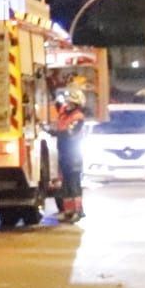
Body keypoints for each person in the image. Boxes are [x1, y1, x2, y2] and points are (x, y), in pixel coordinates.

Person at [55, 88, 88, 223]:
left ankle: (78, 211)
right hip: (64, 153)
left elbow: (71, 133)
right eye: (68, 102)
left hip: (73, 155)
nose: (68, 105)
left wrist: (55, 132)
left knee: (74, 184)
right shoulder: (64, 112)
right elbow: (57, 103)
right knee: (66, 185)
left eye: (71, 103)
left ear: (77, 105)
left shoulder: (78, 117)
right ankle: (68, 212)